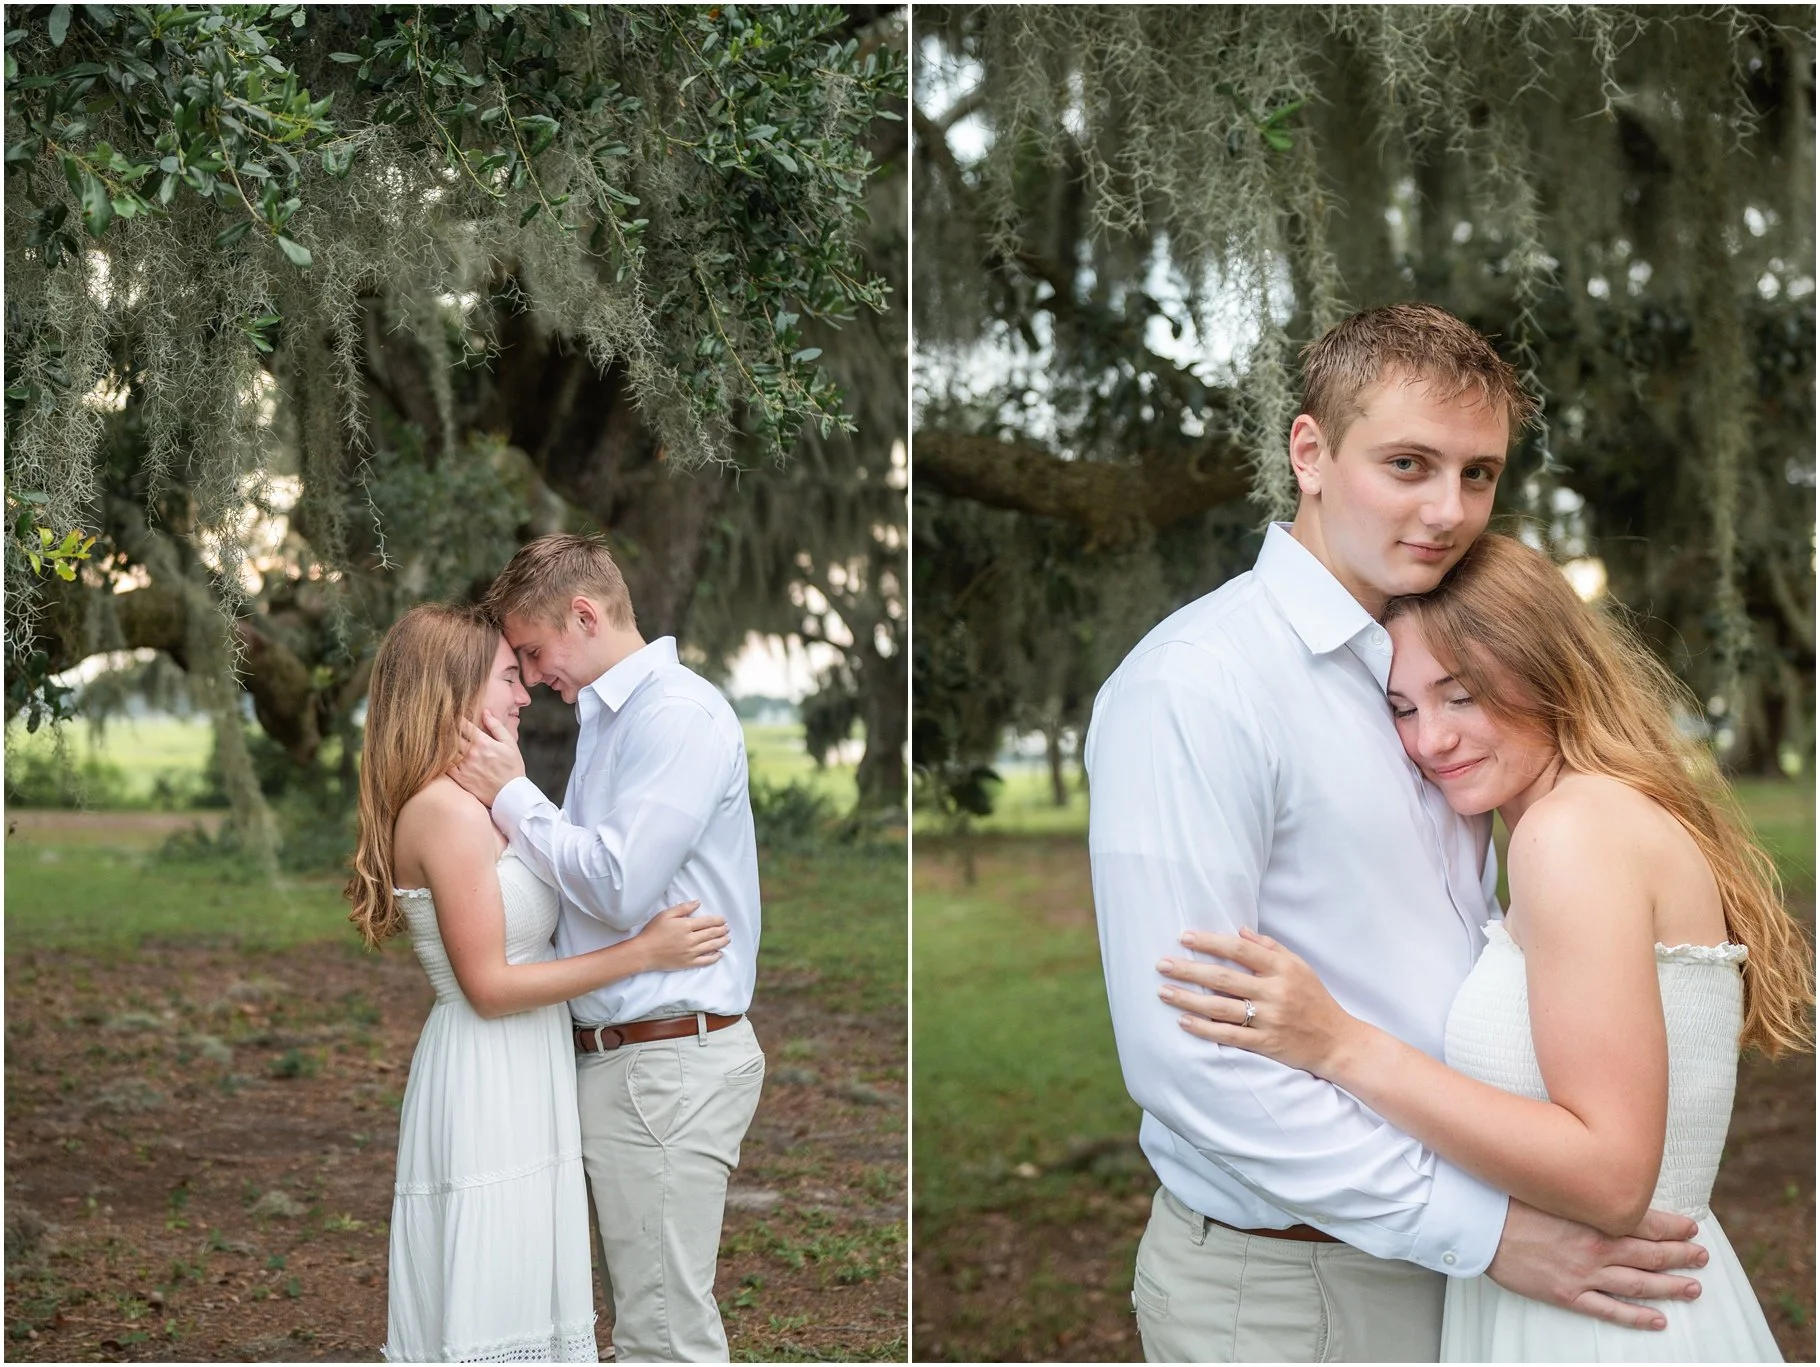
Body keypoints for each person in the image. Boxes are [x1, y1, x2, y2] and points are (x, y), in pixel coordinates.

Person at [1085, 303, 1711, 1364]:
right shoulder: (1197, 686)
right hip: (1301, 1284)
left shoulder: (1438, 675)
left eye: (1477, 473)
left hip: (1472, 1263)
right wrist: (1488, 1232)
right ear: (1309, 451)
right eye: (1408, 462)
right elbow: (1190, 1061)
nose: (1446, 507)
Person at [1158, 532, 1812, 1360]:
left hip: (1603, 1320)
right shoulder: (1592, 816)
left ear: (1546, 671)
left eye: (1460, 695)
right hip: (1604, 1297)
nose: (1430, 740)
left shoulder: (1573, 834)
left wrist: (1341, 1044)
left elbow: (1612, 1177)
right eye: (1404, 706)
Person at [346, 603, 730, 1362]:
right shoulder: (445, 814)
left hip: (531, 1062)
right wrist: (643, 951)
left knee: (530, 1280)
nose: (524, 695)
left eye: (523, 674)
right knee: (492, 1292)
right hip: (486, 1071)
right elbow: (488, 984)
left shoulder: (484, 801)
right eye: (505, 678)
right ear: (451, 692)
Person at [450, 533, 766, 1364]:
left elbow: (620, 883)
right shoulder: (612, 717)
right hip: (629, 1062)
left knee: (662, 1335)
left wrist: (512, 792)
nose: (531, 673)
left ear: (583, 614)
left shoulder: (676, 716)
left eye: (532, 649)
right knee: (646, 1318)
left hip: (665, 1065)